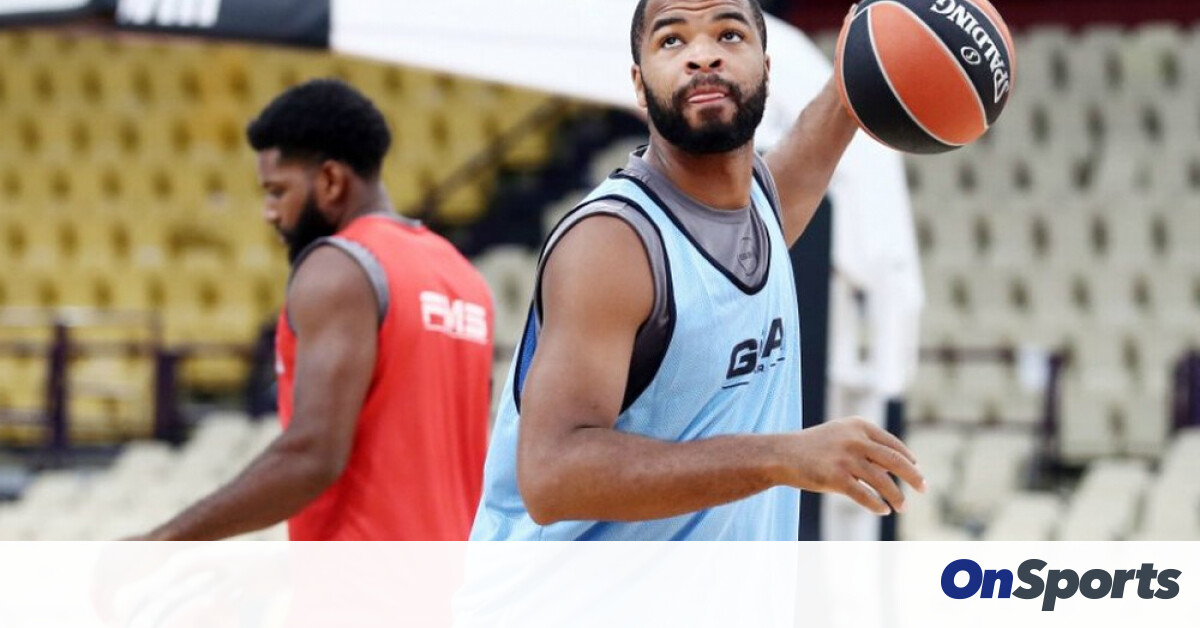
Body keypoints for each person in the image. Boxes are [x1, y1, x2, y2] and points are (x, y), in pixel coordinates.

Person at [470, 0, 924, 541]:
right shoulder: (612, 243)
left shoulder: (760, 215)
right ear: (639, 86)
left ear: (767, 70)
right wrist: (781, 456)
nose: (703, 56)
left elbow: (807, 153)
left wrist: (855, 75)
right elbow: (551, 478)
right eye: (672, 40)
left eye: (729, 35)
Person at [130, 79, 494, 541]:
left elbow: (312, 456)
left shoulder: (338, 268)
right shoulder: (462, 275)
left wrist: (160, 543)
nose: (269, 211)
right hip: (458, 574)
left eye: (277, 190)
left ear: (330, 181)